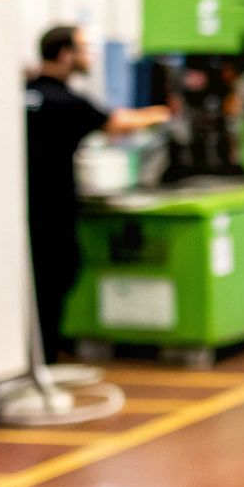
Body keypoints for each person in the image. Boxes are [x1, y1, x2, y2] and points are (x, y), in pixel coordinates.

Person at [25, 26, 171, 363]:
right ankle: (45, 357)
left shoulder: (26, 94)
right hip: (53, 207)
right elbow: (116, 124)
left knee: (34, 281)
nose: (88, 56)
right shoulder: (66, 101)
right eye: (83, 49)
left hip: (21, 207)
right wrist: (160, 113)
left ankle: (34, 356)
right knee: (58, 275)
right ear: (64, 54)